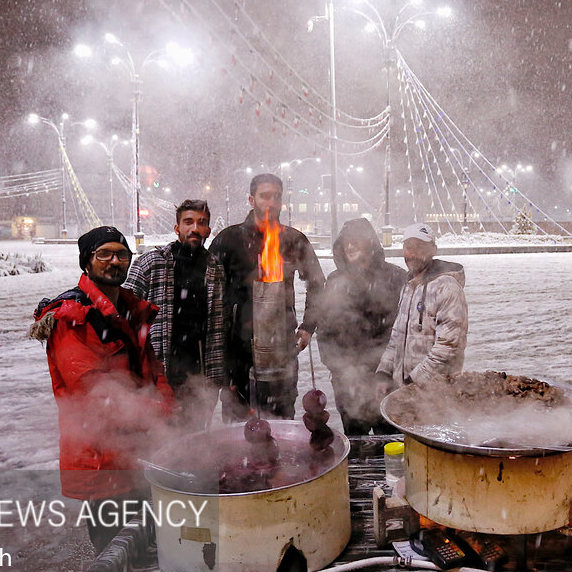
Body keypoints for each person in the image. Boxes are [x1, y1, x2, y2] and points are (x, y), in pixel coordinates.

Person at [30, 226, 173, 552]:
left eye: (122, 254)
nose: (115, 261)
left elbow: (153, 369)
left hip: (137, 450)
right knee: (116, 552)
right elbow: (95, 392)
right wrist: (158, 413)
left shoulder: (131, 309)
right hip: (102, 456)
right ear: (86, 262)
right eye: (104, 254)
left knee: (144, 540)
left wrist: (167, 400)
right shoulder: (72, 319)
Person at [206, 173, 325, 420]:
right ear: (251, 199)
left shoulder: (293, 240)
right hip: (239, 347)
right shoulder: (229, 240)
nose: (271, 203)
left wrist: (308, 326)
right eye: (264, 196)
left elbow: (317, 284)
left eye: (277, 196)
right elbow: (207, 290)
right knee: (239, 422)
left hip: (281, 345)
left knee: (281, 419)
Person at [124, 199, 222, 425]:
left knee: (196, 439)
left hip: (201, 377)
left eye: (201, 223)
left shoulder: (215, 268)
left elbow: (220, 325)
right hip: (160, 373)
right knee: (162, 442)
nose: (195, 228)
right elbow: (124, 316)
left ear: (208, 230)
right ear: (177, 228)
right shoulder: (151, 264)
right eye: (188, 222)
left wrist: (218, 376)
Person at [317, 218, 407, 435]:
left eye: (356, 240)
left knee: (390, 445)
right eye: (346, 241)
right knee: (356, 446)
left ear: (371, 243)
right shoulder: (335, 281)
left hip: (386, 383)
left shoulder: (397, 278)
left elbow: (404, 331)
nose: (350, 245)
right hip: (347, 382)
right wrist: (340, 371)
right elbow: (325, 331)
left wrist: (386, 372)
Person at [377, 222, 468, 386]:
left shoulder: (447, 288)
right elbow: (396, 337)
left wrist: (414, 381)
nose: (413, 253)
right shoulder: (408, 286)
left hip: (437, 393)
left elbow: (448, 347)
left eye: (421, 247)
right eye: (408, 246)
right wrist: (384, 372)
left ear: (433, 249)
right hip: (406, 389)